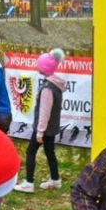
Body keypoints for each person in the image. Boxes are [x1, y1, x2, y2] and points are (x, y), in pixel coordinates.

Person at [14, 48, 66, 193]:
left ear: (45, 68)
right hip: (51, 128)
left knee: (30, 152)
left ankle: (29, 182)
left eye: (40, 65)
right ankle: (55, 180)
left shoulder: (47, 89)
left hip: (44, 129)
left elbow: (44, 111)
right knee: (50, 152)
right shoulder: (55, 85)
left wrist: (40, 131)